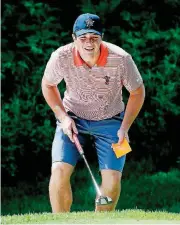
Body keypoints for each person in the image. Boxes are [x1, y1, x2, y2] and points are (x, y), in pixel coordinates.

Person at [41, 13, 145, 213]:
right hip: (72, 119)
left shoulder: (122, 59)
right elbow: (48, 85)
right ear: (74, 38)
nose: (89, 43)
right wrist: (63, 118)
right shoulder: (61, 57)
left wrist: (125, 127)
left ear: (101, 37)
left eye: (94, 37)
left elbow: (138, 91)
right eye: (83, 38)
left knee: (113, 180)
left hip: (112, 121)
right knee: (59, 171)